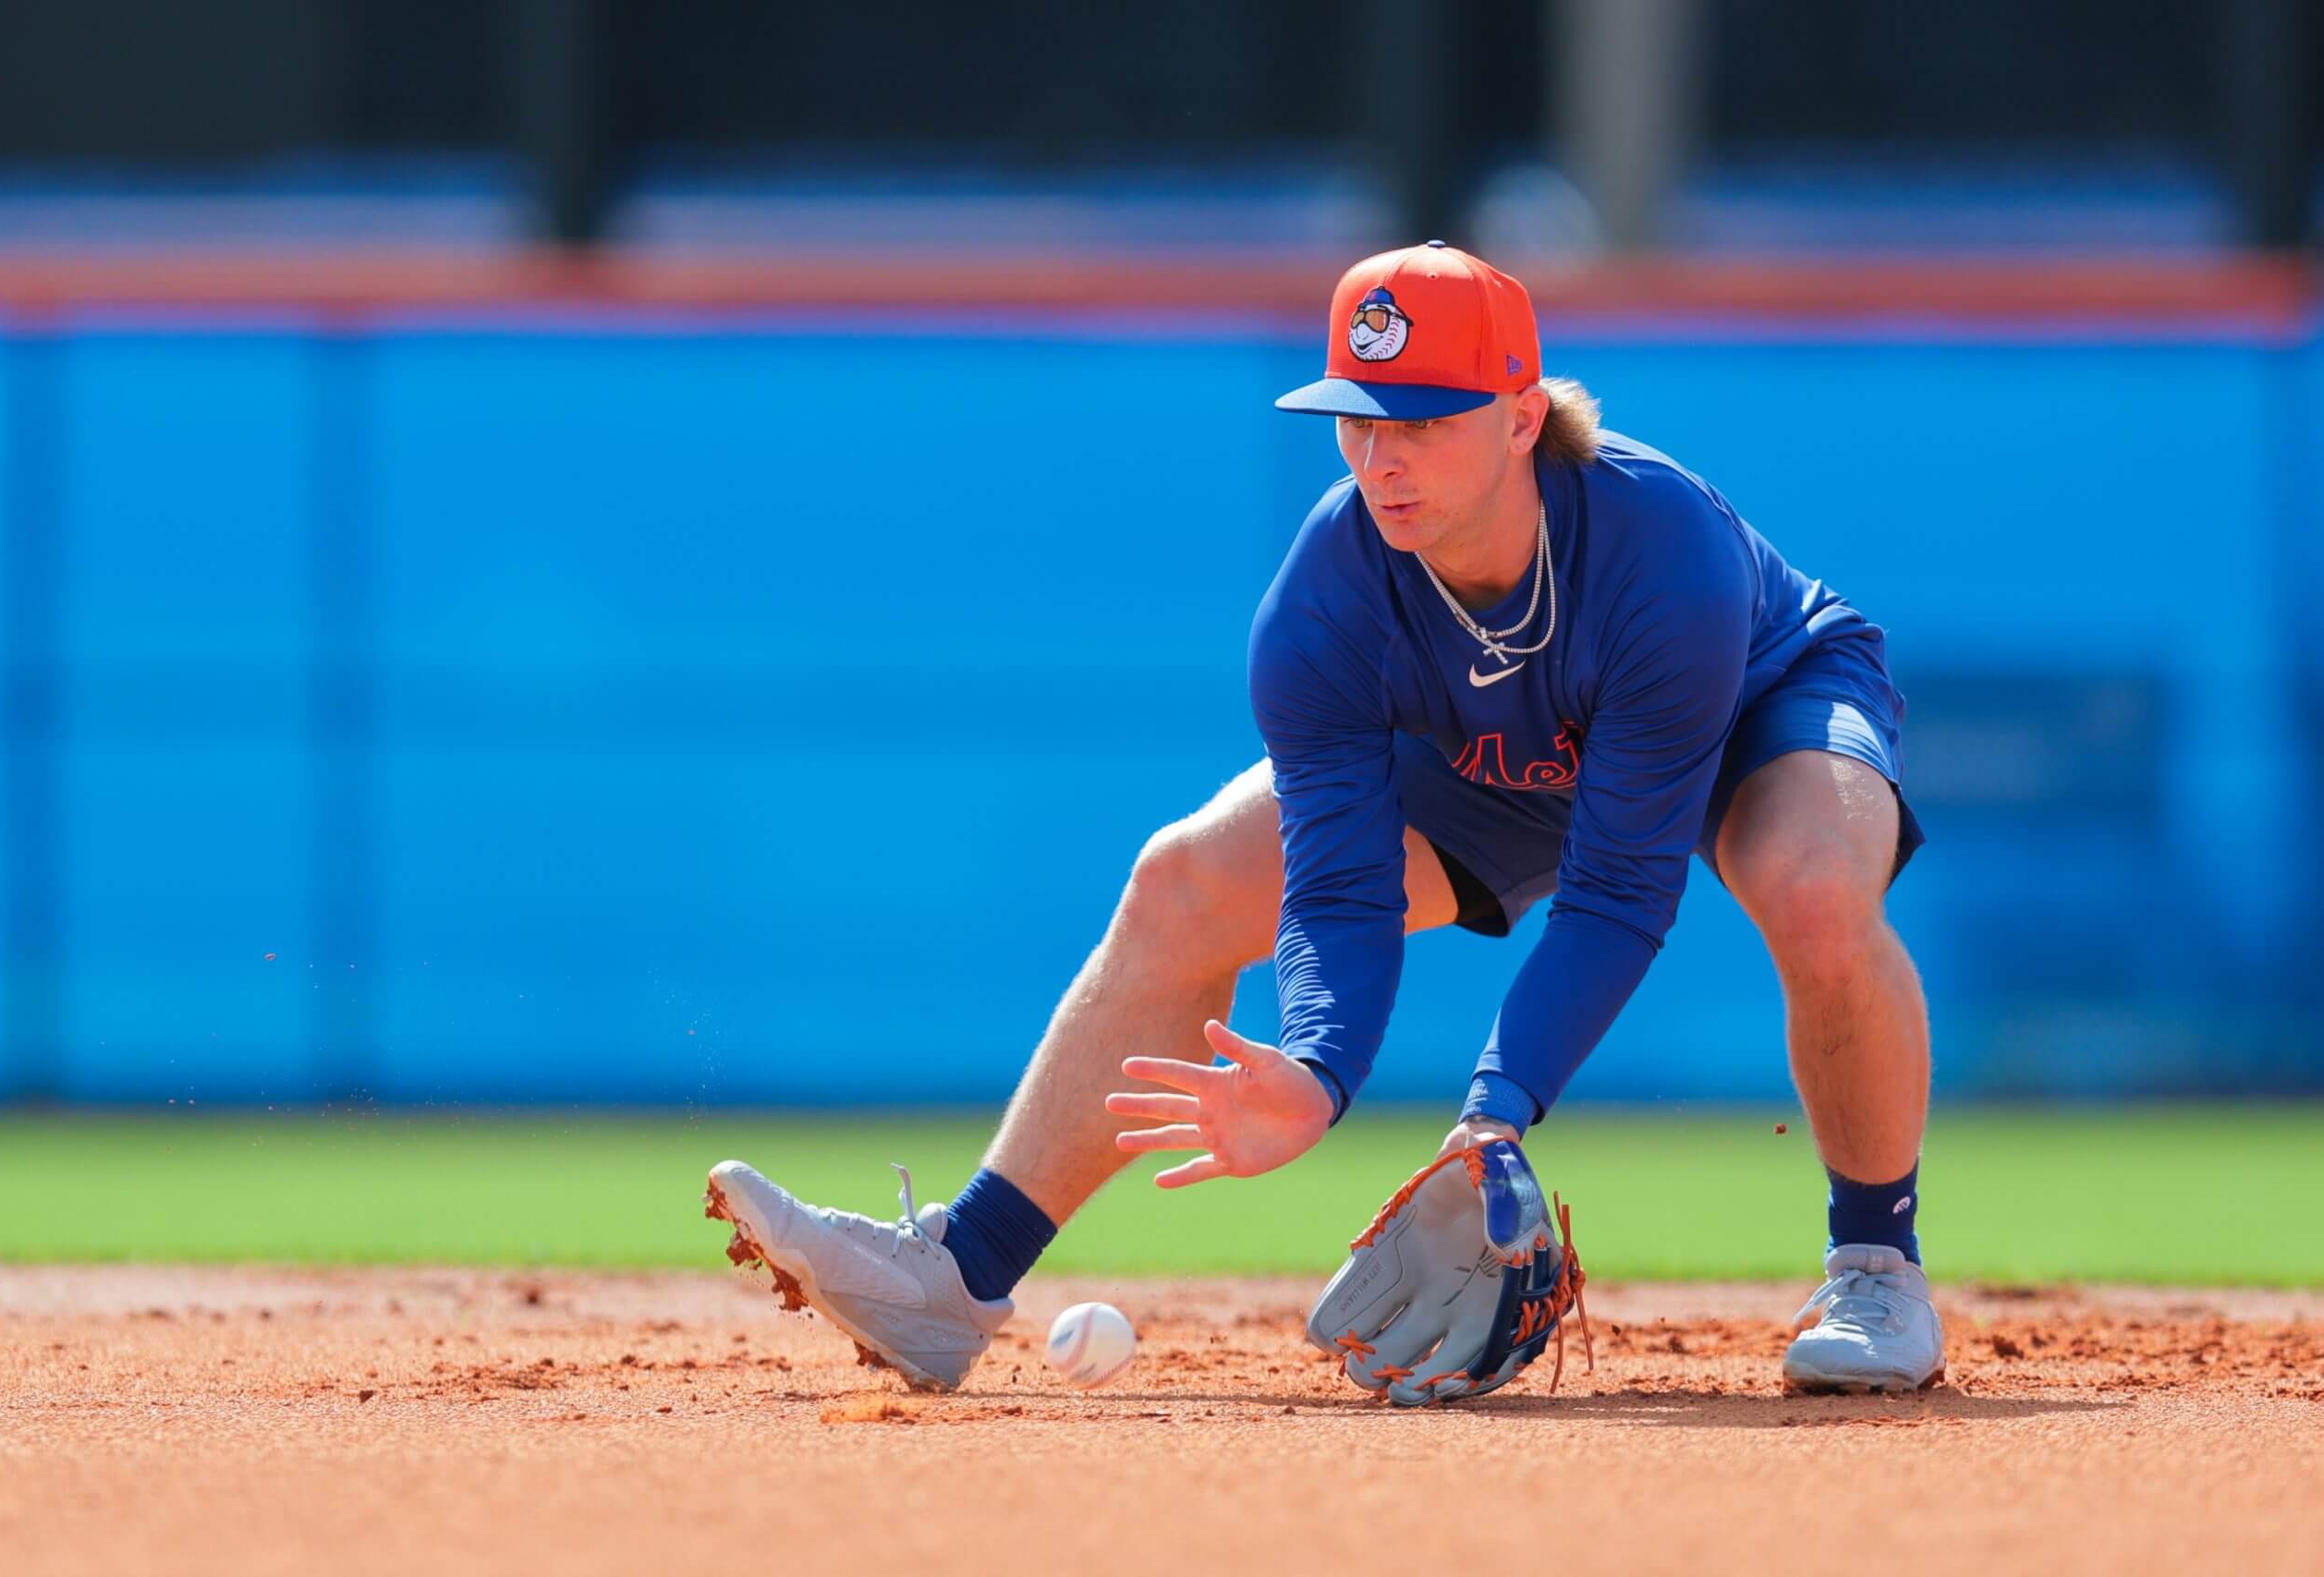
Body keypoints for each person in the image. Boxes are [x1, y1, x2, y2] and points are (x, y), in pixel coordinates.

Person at [703, 241, 1942, 1399]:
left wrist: (1492, 1118)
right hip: (1499, 755)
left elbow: (1620, 892)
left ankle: (1877, 1272)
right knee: (1185, 878)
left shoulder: (1657, 554)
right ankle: (956, 1274)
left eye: (1425, 418)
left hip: (1753, 702)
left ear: (1521, 418)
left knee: (1815, 889)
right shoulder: (1326, 604)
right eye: (1359, 415)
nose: (1382, 455)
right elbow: (1341, 885)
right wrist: (1316, 1066)